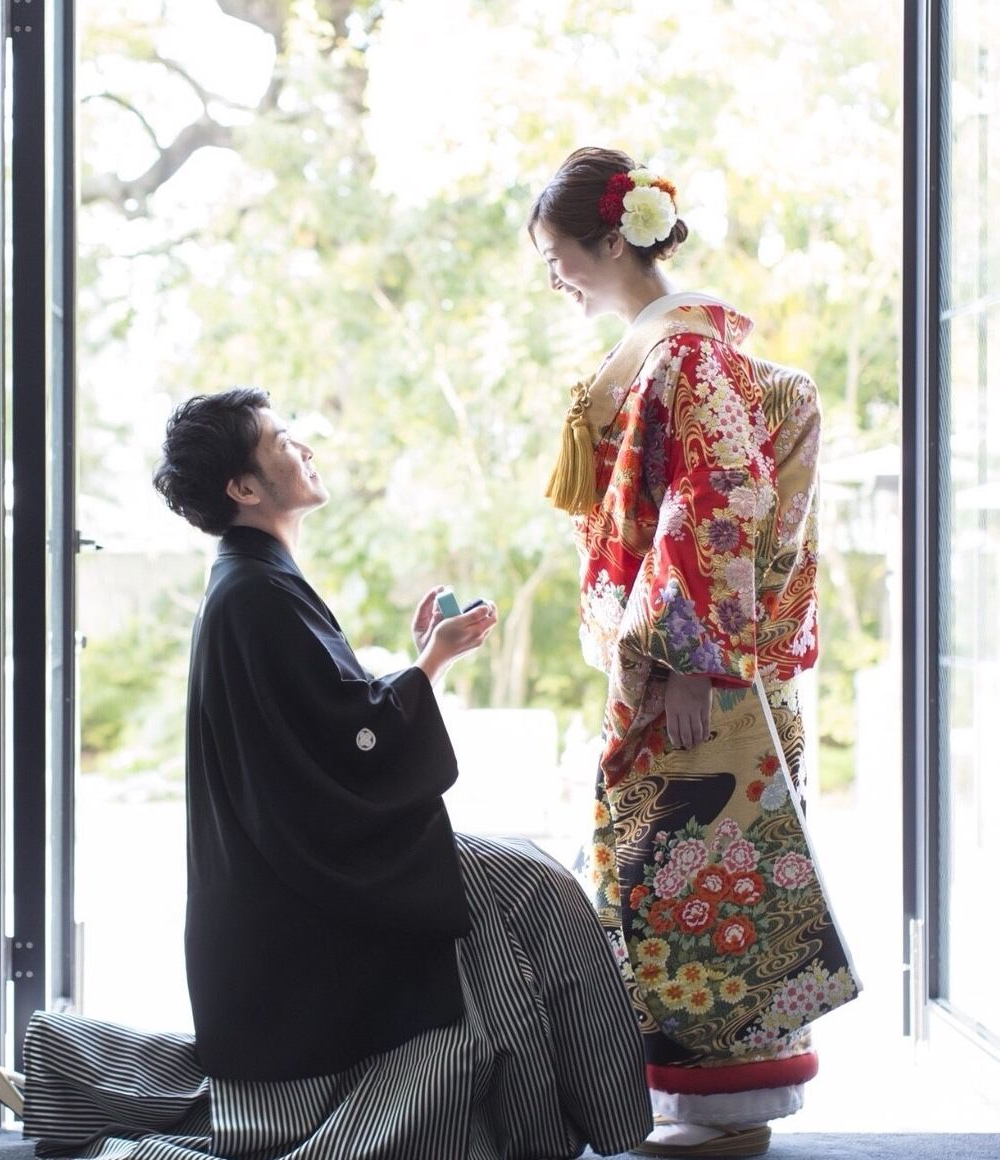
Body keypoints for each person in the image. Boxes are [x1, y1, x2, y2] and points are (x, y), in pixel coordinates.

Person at [0, 385, 653, 1160]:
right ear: (244, 488)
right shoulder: (254, 592)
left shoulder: (255, 583)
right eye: (282, 441)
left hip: (298, 864)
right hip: (300, 881)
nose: (304, 448)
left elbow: (334, 725)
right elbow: (348, 741)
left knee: (523, 892)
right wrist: (430, 662)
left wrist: (423, 661)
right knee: (530, 891)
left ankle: (581, 1125)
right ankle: (603, 1124)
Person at [527, 147, 861, 1158]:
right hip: (689, 655)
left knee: (699, 869)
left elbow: (721, 496)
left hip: (697, 669)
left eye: (554, 253)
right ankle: (693, 1104)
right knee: (670, 869)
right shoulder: (671, 348)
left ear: (606, 240)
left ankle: (725, 1113)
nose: (551, 275)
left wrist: (686, 660)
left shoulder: (684, 353)